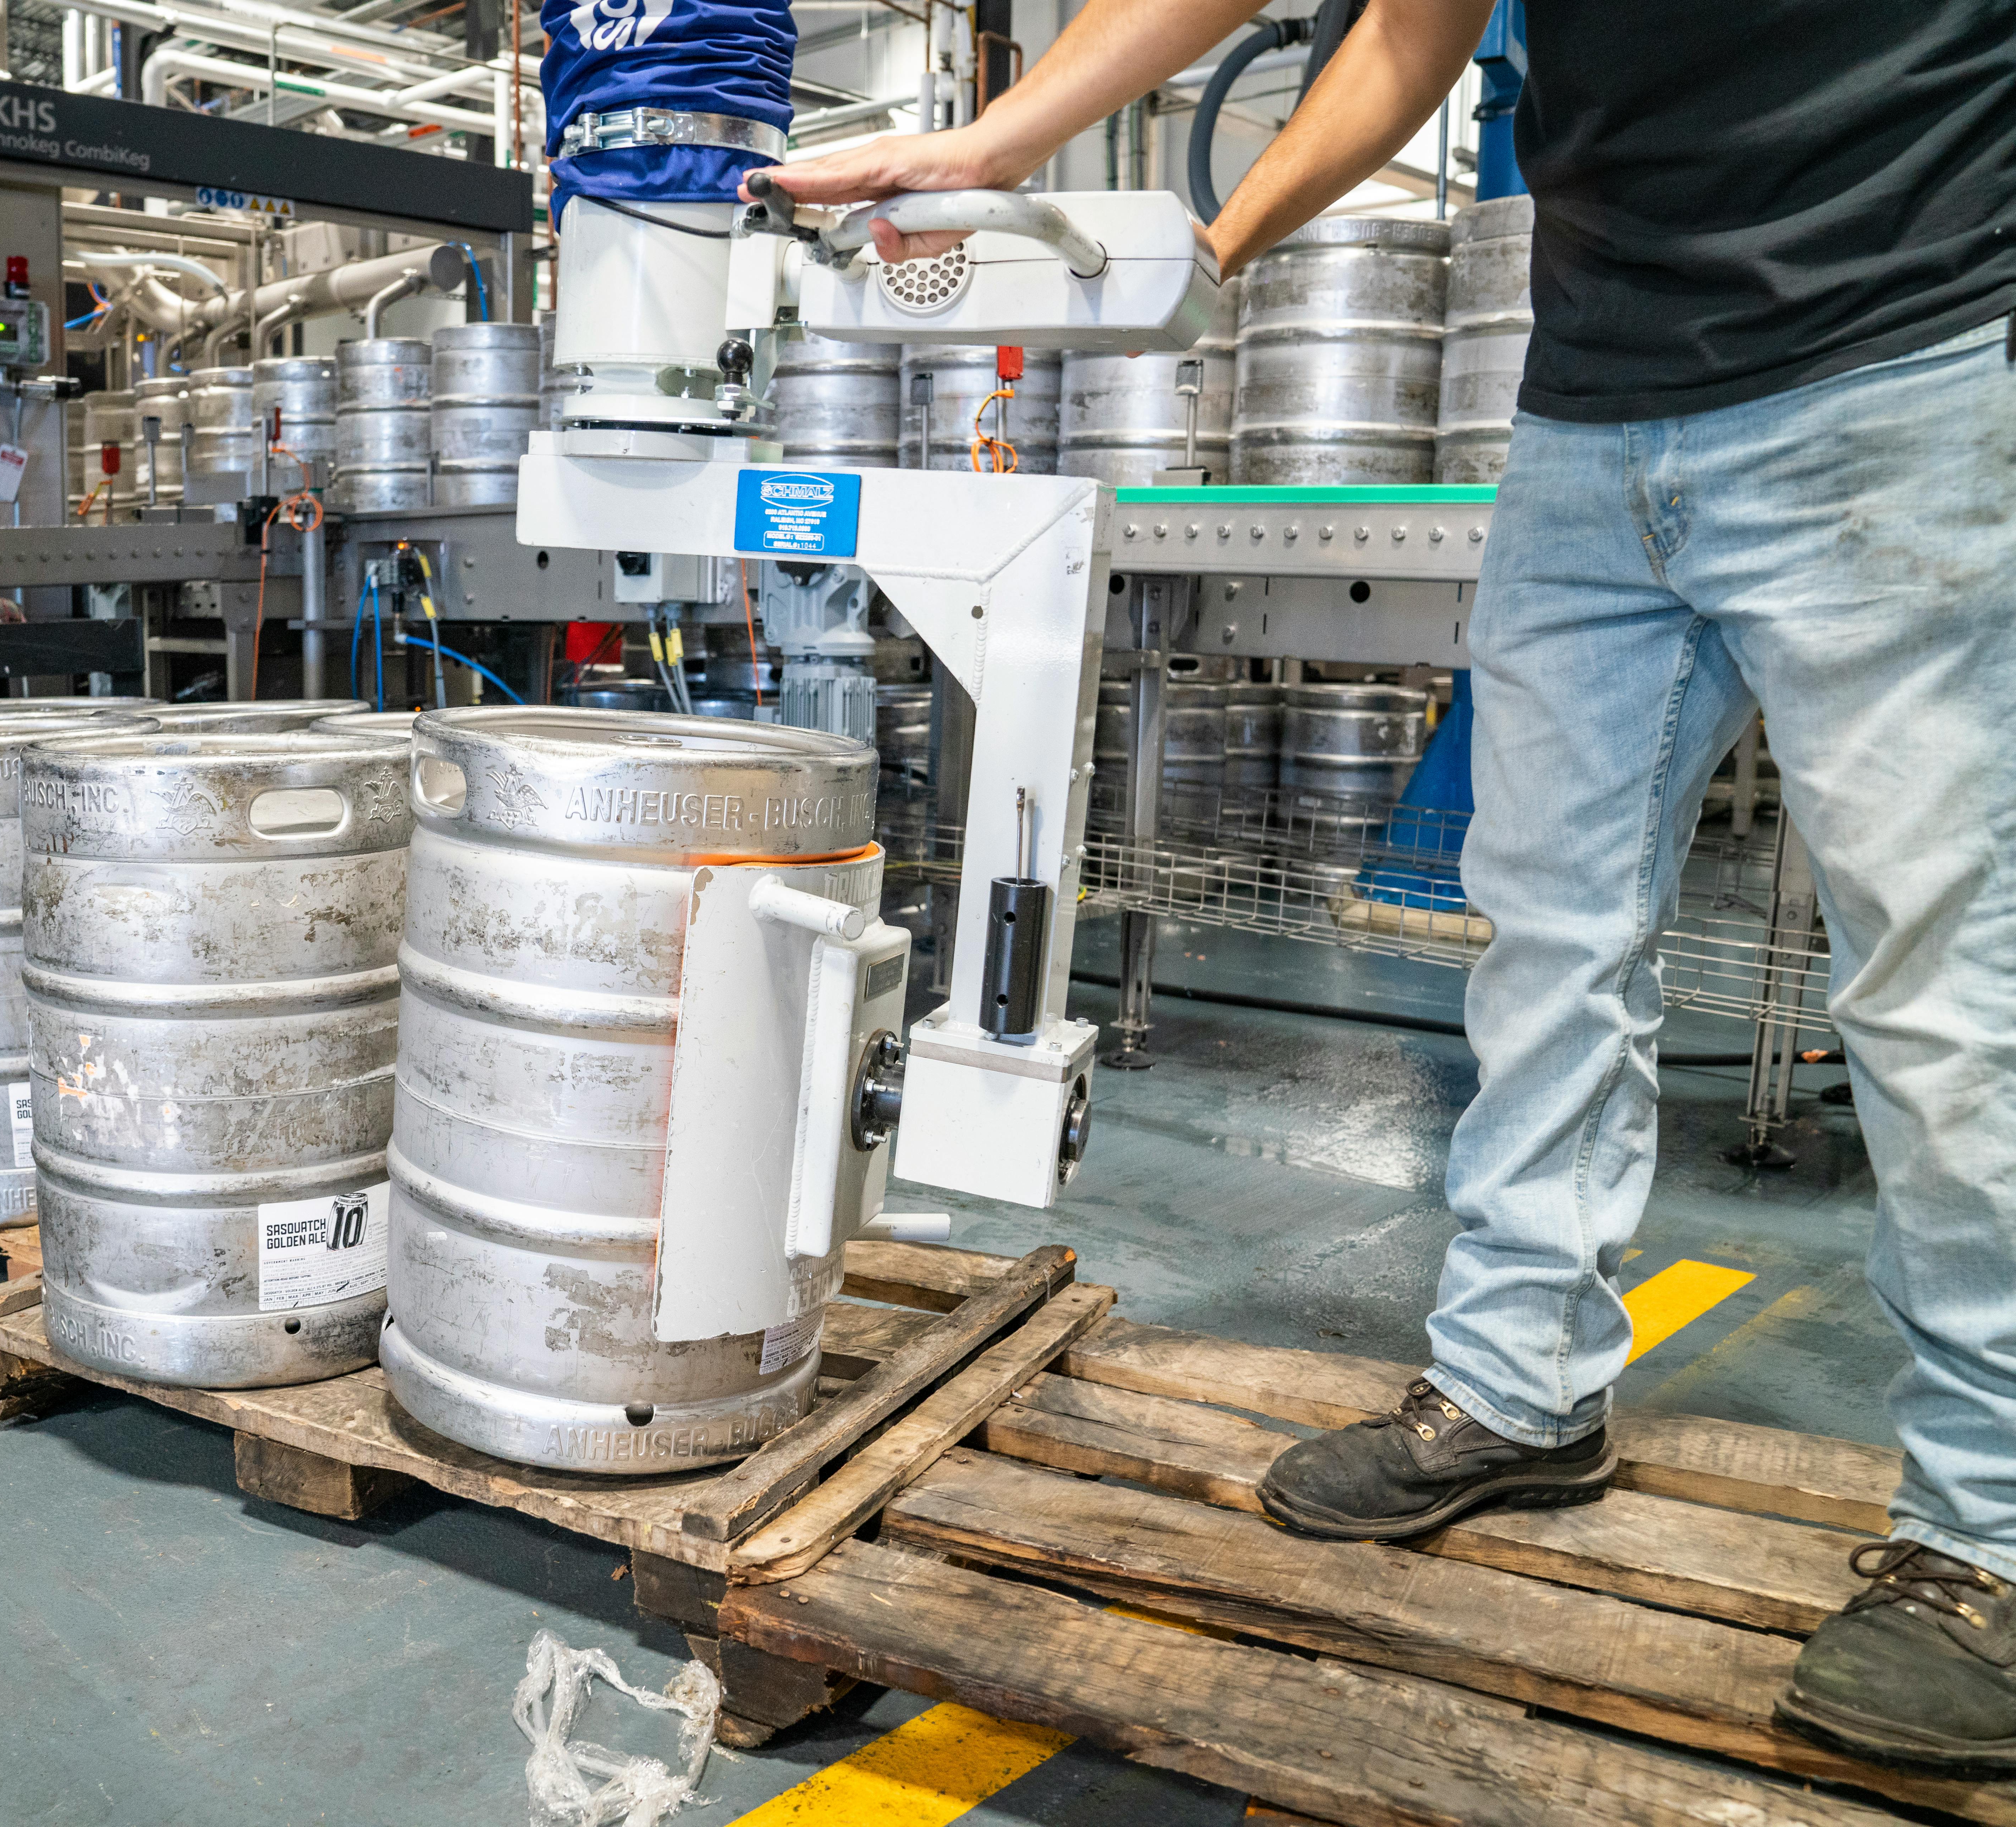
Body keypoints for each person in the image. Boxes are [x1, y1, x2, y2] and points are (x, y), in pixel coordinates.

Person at [751, 0, 2016, 1774]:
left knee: (1938, 990)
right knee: (1540, 944)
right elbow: (1411, 26)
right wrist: (1187, 229)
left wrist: (1010, 135)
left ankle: (1987, 1535)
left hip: (1898, 368)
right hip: (1588, 413)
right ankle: (1518, 1382)